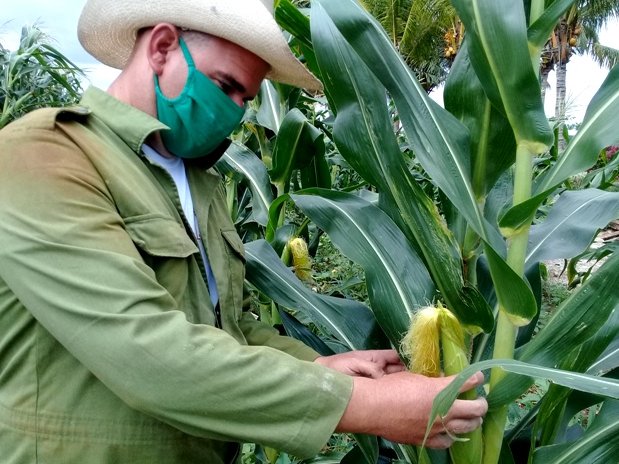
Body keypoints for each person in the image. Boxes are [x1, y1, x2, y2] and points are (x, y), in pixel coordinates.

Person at [0, 0, 487, 462]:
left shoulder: (199, 181)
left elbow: (229, 324)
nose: (234, 111)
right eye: (224, 85)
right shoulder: (46, 155)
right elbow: (148, 354)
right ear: (162, 47)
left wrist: (315, 368)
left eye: (245, 98)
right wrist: (364, 405)